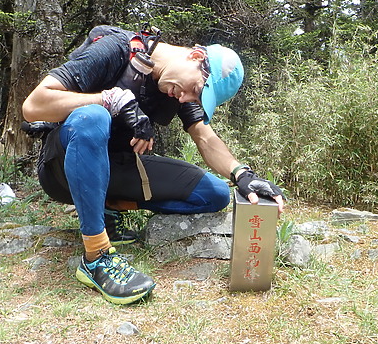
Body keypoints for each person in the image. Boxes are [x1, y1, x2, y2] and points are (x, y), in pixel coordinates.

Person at [22, 24, 285, 305]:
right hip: (61, 167)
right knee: (94, 117)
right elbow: (34, 105)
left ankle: (109, 208)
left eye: (196, 98)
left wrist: (242, 174)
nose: (185, 98)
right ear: (196, 57)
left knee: (214, 193)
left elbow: (204, 137)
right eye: (195, 89)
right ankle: (96, 257)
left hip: (116, 167)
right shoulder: (116, 50)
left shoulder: (175, 88)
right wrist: (111, 99)